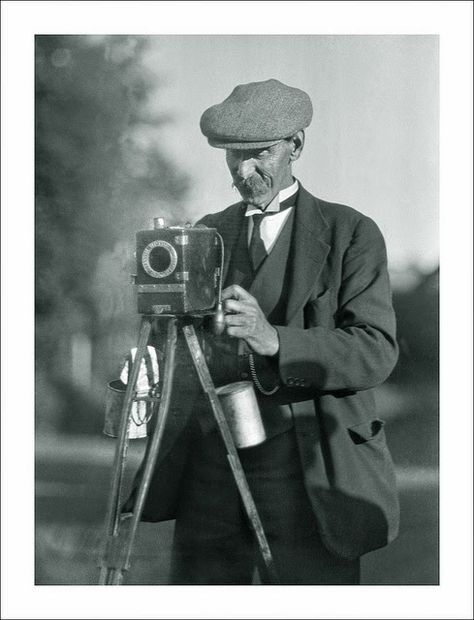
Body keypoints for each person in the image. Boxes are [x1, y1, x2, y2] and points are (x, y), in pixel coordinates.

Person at [125, 78, 400, 585]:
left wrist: (274, 339)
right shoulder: (206, 233)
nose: (245, 171)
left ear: (295, 145)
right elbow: (175, 338)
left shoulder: (351, 233)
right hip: (209, 469)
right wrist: (149, 363)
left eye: (260, 155)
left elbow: (376, 350)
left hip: (310, 467)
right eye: (233, 157)